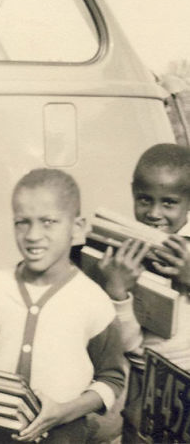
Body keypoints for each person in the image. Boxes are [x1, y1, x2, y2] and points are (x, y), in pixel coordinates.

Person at [0, 168, 126, 443]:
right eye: (22, 222)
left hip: (64, 436)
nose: (32, 234)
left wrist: (64, 412)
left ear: (76, 227)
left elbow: (111, 380)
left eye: (48, 221)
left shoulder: (94, 301)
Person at [88, 143, 190, 442]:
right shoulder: (127, 250)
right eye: (144, 200)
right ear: (133, 192)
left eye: (169, 203)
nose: (154, 214)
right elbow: (132, 346)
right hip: (146, 385)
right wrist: (118, 293)